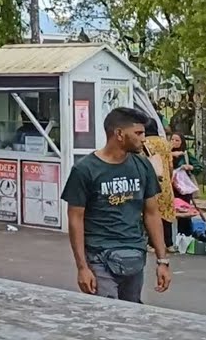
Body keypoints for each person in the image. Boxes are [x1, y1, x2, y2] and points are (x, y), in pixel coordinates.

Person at [61, 107, 171, 303]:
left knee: (130, 315)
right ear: (119, 134)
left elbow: (152, 214)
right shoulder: (85, 169)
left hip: (134, 254)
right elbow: (75, 219)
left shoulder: (142, 165)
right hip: (99, 256)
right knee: (106, 315)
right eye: (138, 133)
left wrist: (163, 261)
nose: (143, 139)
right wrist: (82, 267)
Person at [141, 118, 175, 249]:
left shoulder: (145, 143)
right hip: (165, 181)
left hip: (150, 182)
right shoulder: (165, 143)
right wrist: (169, 178)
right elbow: (170, 165)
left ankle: (152, 242)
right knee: (166, 213)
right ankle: (169, 242)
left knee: (151, 212)